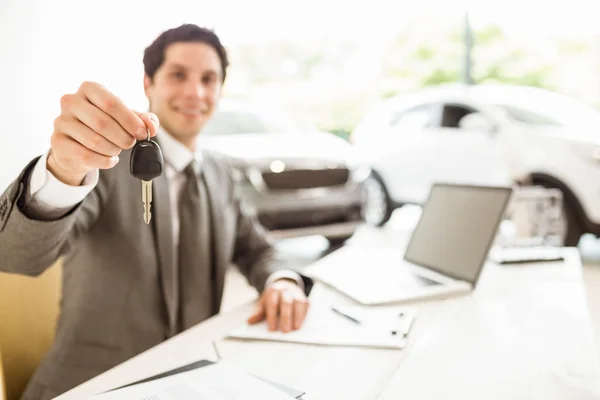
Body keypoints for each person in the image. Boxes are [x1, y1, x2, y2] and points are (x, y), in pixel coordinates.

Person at [0, 24, 312, 400]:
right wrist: (63, 172)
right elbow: (16, 255)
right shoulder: (104, 162)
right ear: (148, 83)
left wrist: (282, 281)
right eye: (178, 75)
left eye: (208, 79)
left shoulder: (222, 173)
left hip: (193, 381)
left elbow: (257, 249)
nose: (195, 92)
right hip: (90, 385)